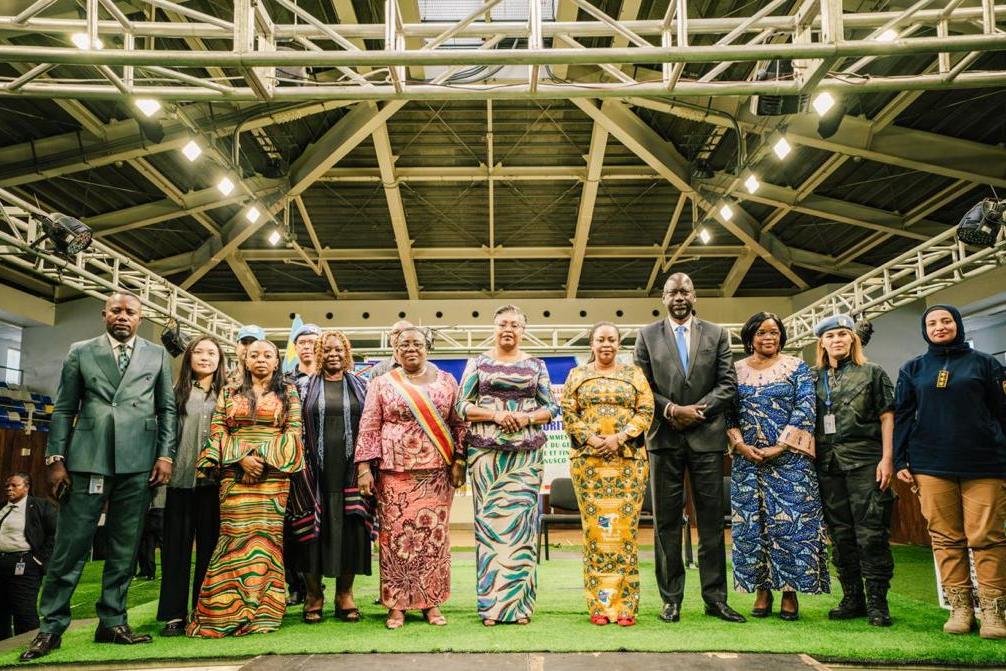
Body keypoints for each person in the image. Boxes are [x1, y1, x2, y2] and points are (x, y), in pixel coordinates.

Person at [21, 292, 176, 662]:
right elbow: (63, 408)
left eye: (131, 312)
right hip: (87, 458)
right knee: (70, 545)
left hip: (139, 461)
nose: (123, 316)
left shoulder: (157, 355)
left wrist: (165, 455)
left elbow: (166, 409)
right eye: (117, 311)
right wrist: (56, 459)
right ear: (105, 314)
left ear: (141, 318)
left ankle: (113, 621)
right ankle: (51, 626)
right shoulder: (81, 350)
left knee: (124, 546)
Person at [633, 273, 744, 624]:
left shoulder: (717, 334)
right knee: (666, 523)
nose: (679, 297)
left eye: (685, 291)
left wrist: (697, 411)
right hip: (663, 439)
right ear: (663, 298)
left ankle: (716, 599)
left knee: (711, 523)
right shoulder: (646, 336)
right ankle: (671, 599)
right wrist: (670, 410)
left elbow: (728, 384)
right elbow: (641, 385)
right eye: (672, 292)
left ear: (694, 296)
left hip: (707, 438)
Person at [894, 304, 1006, 639]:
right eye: (932, 323)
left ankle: (994, 612)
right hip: (931, 464)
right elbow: (902, 416)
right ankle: (961, 609)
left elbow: (1002, 412)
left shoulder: (986, 364)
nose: (940, 327)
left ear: (957, 324)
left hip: (984, 463)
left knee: (987, 537)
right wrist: (900, 460)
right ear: (924, 330)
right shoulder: (913, 368)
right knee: (945, 538)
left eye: (946, 321)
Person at [186, 339, 304, 638]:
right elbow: (218, 429)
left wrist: (261, 459)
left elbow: (293, 430)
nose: (261, 359)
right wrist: (240, 458)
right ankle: (225, 611)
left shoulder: (288, 392)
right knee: (234, 539)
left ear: (277, 362)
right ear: (245, 360)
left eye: (267, 355)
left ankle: (262, 613)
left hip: (273, 477)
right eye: (255, 355)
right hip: (234, 476)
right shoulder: (229, 391)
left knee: (267, 540)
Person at [355, 326, 466, 629]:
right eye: (404, 344)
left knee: (433, 539)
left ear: (427, 347)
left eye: (417, 343)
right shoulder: (381, 383)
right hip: (394, 473)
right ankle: (397, 605)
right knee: (395, 540)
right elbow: (369, 427)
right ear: (395, 350)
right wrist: (364, 468)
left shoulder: (446, 382)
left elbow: (458, 423)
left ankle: (431, 602)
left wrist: (459, 459)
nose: (410, 349)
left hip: (436, 473)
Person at [457, 305, 559, 626]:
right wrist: (495, 415)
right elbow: (462, 405)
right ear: (494, 326)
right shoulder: (478, 362)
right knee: (490, 529)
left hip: (526, 458)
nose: (508, 329)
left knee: (523, 529)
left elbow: (552, 407)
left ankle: (519, 608)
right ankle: (491, 608)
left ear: (524, 330)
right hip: (487, 458)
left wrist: (527, 417)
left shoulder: (536, 365)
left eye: (515, 324)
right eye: (503, 323)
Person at [726, 311, 829, 621]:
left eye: (773, 332)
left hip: (791, 460)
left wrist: (779, 447)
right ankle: (761, 591)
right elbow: (727, 413)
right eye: (761, 333)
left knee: (791, 527)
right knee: (753, 528)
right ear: (750, 338)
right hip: (748, 462)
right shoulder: (735, 371)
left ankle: (789, 593)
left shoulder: (797, 367)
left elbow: (806, 408)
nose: (768, 337)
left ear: (781, 336)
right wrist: (741, 445)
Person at [562, 322, 654, 627]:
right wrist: (592, 439)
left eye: (611, 339)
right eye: (600, 339)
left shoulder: (634, 374)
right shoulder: (577, 375)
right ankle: (599, 606)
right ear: (591, 343)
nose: (606, 344)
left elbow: (646, 410)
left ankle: (626, 606)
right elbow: (568, 412)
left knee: (624, 533)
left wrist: (619, 437)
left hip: (628, 462)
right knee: (595, 534)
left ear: (619, 344)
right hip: (589, 464)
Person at [812, 314, 896, 627]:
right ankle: (852, 598)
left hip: (866, 461)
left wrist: (888, 458)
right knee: (841, 534)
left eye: (842, 335)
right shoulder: (813, 377)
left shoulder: (872, 373)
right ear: (822, 343)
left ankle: (877, 602)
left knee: (871, 533)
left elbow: (888, 416)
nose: (837, 340)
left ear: (852, 339)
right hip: (828, 464)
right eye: (830, 336)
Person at [287, 330, 372, 624]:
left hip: (351, 471)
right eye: (328, 349)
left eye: (339, 349)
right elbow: (292, 427)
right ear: (319, 353)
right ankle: (314, 595)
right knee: (311, 532)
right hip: (312, 473)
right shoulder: (301, 388)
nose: (334, 354)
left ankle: (344, 594)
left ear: (347, 353)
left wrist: (365, 467)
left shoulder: (363, 386)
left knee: (350, 529)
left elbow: (371, 428)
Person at [157, 336, 227, 636]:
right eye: (199, 352)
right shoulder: (175, 392)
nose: (205, 357)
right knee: (176, 551)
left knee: (211, 550)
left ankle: (203, 611)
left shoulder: (227, 394)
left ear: (220, 360)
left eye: (212, 353)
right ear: (188, 357)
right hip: (180, 483)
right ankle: (174, 615)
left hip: (214, 485)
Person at [283, 322, 321, 606]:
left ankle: (321, 583)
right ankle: (297, 584)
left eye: (312, 341)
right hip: (294, 462)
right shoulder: (284, 381)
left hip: (326, 461)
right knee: (294, 525)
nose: (307, 346)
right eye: (302, 342)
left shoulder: (334, 378)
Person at [1, 473, 56, 640]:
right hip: (2, 562)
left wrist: (38, 560)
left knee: (23, 610)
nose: (9, 489)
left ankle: (29, 645)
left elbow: (55, 534)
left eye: (14, 485)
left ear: (26, 487)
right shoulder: (2, 507)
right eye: (7, 486)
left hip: (25, 563)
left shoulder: (41, 506)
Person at [133, 487, 165, 579]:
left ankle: (150, 573)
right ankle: (164, 572)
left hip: (149, 513)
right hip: (161, 512)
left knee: (149, 546)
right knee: (163, 546)